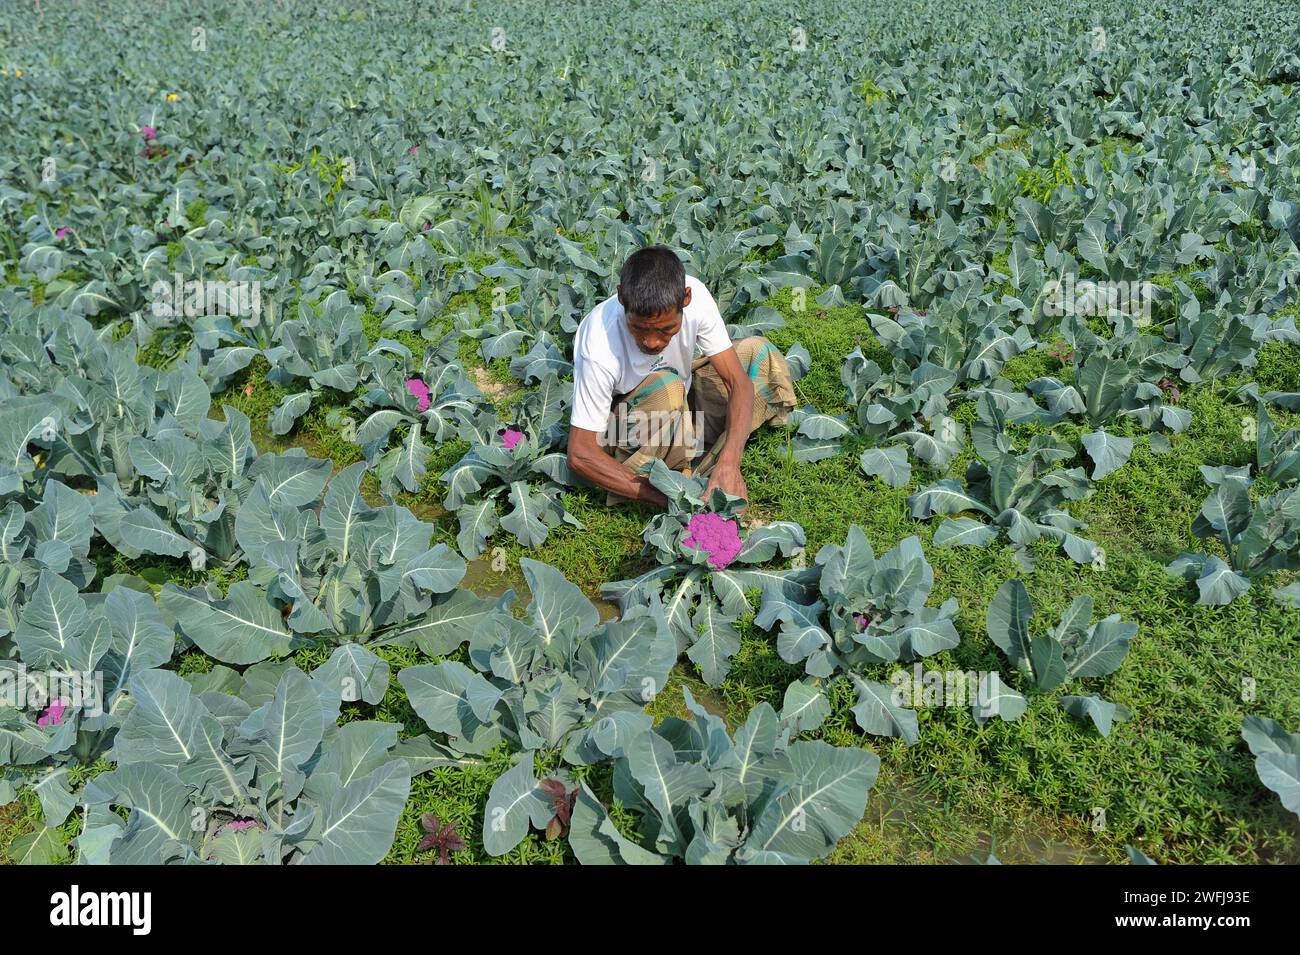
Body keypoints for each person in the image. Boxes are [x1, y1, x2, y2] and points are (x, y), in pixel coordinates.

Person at [566, 245, 796, 509]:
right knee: (669, 387)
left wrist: (731, 464)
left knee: (758, 354)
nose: (651, 342)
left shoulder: (697, 298)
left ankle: (716, 466)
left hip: (680, 410)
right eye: (639, 328)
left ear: (685, 299)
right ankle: (670, 477)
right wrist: (669, 498)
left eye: (666, 329)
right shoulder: (599, 343)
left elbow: (737, 382)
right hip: (623, 432)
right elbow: (580, 453)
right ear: (621, 298)